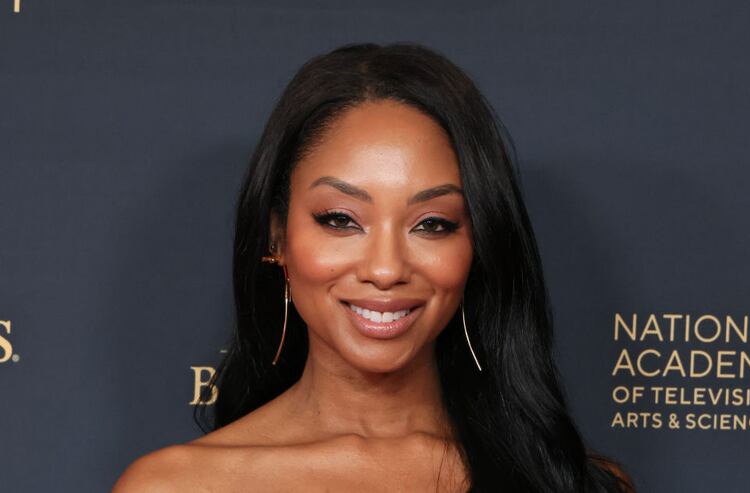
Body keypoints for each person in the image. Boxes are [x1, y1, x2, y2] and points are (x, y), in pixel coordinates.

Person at [113, 42, 634, 492]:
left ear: (479, 244)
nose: (385, 270)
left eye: (432, 224)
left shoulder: (570, 482)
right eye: (340, 219)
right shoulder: (175, 485)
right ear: (278, 236)